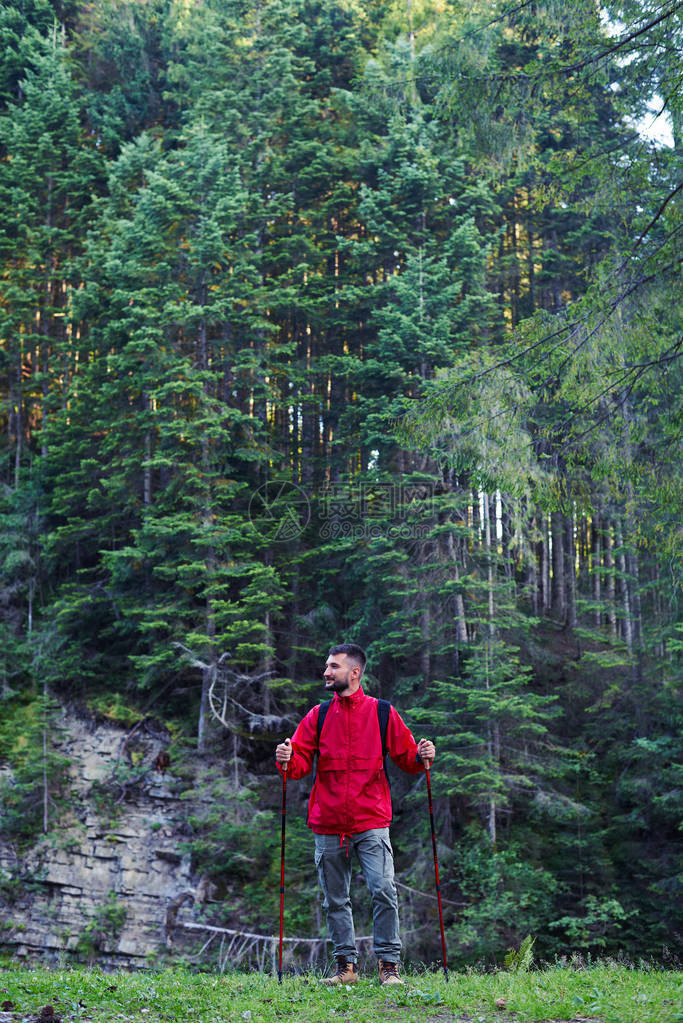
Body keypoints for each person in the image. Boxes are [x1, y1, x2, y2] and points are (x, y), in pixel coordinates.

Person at [275, 642, 436, 986]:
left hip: (371, 821)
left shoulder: (382, 713)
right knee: (335, 899)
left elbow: (407, 758)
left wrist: (424, 754)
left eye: (333, 666)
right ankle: (346, 968)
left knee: (383, 890)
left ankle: (388, 967)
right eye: (327, 666)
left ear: (354, 672)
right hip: (328, 822)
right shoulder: (317, 715)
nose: (326, 672)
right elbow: (300, 765)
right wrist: (286, 759)